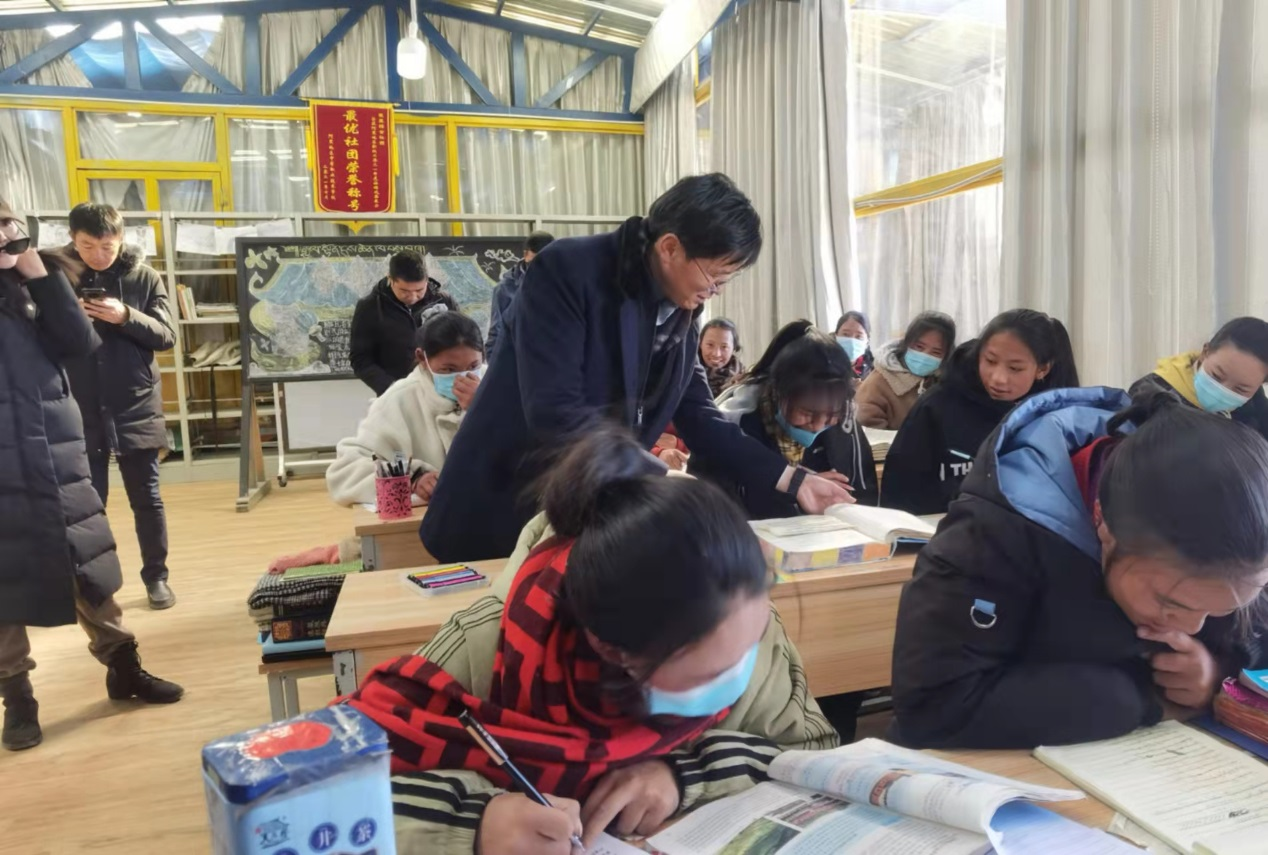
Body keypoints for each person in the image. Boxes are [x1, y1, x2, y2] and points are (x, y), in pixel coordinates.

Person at [343, 427, 837, 853]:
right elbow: (329, 794)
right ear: (610, 649)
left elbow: (813, 754)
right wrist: (473, 823)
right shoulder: (484, 647)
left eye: (752, 643)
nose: (741, 672)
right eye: (708, 673)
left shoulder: (740, 612)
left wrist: (685, 774)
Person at [420, 174, 853, 562]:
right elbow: (557, 415)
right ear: (670, 248)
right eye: (715, 277)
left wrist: (792, 479)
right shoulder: (569, 271)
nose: (716, 292)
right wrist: (662, 475)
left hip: (583, 516)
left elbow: (699, 414)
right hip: (503, 503)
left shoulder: (681, 309)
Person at [890, 387, 1268, 749]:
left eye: (1222, 608)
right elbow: (933, 705)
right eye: (1171, 603)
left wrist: (1219, 673)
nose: (1192, 627)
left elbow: (1258, 640)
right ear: (1103, 521)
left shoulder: (1243, 548)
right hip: (980, 770)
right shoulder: (992, 537)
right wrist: (1138, 699)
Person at [0, 204, 183, 752]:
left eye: (7, 225)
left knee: (88, 560)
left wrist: (37, 272)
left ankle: (124, 667)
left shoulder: (36, 280)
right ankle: (18, 699)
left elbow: (80, 342)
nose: (5, 236)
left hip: (57, 447)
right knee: (6, 579)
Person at [63, 203, 177, 611]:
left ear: (121, 239)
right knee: (88, 505)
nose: (98, 255)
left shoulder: (143, 276)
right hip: (79, 404)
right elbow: (39, 335)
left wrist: (125, 315)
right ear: (73, 240)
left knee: (146, 498)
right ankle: (94, 585)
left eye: (107, 246)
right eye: (87, 246)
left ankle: (157, 577)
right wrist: (69, 317)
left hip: (135, 402)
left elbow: (166, 335)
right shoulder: (58, 276)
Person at [882, 308, 1079, 515]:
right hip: (943, 527)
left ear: (1042, 370)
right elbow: (899, 493)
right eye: (990, 361)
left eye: (1015, 368)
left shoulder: (1056, 416)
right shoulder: (938, 405)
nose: (998, 378)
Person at [696, 320, 878, 515]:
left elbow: (863, 497)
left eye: (830, 416)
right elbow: (714, 511)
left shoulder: (845, 424)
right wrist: (796, 488)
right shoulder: (734, 426)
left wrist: (832, 501)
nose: (817, 426)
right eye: (807, 413)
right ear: (777, 393)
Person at [327, 311, 484, 506]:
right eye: (448, 370)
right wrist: (412, 478)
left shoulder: (498, 387)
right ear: (422, 358)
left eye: (473, 366)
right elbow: (346, 471)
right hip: (431, 519)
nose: (463, 377)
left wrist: (484, 411)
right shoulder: (400, 399)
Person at [1130, 316, 1268, 439]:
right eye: (1217, 376)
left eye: (1240, 389)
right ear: (1205, 352)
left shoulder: (1255, 404)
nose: (1222, 391)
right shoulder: (1150, 395)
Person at [350, 249, 459, 396]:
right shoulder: (370, 307)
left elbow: (462, 344)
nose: (413, 297)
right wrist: (391, 388)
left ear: (427, 279)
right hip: (395, 393)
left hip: (442, 390)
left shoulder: (443, 301)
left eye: (419, 290)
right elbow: (360, 359)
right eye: (404, 291)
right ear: (390, 279)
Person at [856, 312, 957, 431]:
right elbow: (870, 435)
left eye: (936, 352)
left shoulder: (944, 383)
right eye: (919, 347)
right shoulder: (877, 383)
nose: (925, 355)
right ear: (907, 343)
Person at [485, 230, 554, 359]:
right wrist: (493, 363)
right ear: (526, 255)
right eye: (537, 260)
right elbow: (496, 331)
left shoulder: (562, 284)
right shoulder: (505, 288)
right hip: (518, 357)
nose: (541, 266)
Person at [699, 317, 745, 397]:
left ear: (734, 348)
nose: (716, 354)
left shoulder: (743, 381)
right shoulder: (685, 372)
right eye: (710, 345)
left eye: (724, 347)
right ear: (700, 344)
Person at [835, 311, 873, 379]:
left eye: (859, 337)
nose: (852, 341)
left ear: (867, 342)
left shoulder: (875, 371)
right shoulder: (823, 366)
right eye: (845, 334)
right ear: (836, 336)